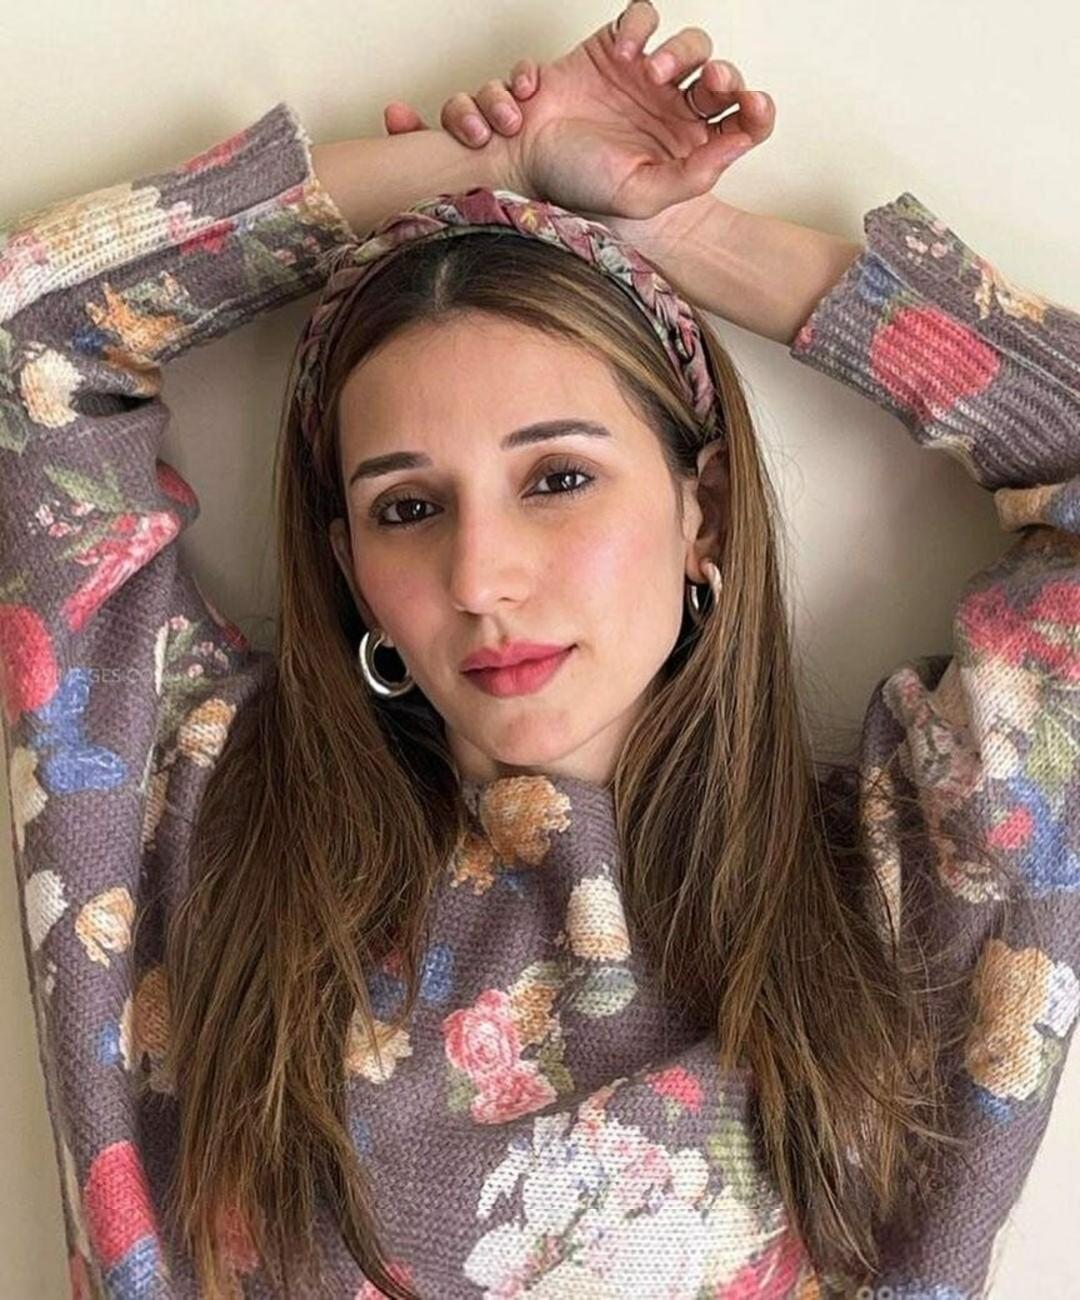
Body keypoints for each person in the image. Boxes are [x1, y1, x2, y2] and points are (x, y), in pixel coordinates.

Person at [0, 3, 1076, 1297]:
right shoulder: (196, 817)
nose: (480, 577)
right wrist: (475, 174)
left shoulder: (904, 893)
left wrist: (676, 236)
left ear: (705, 512)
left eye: (558, 478)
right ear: (349, 563)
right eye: (407, 507)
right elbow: (26, 344)